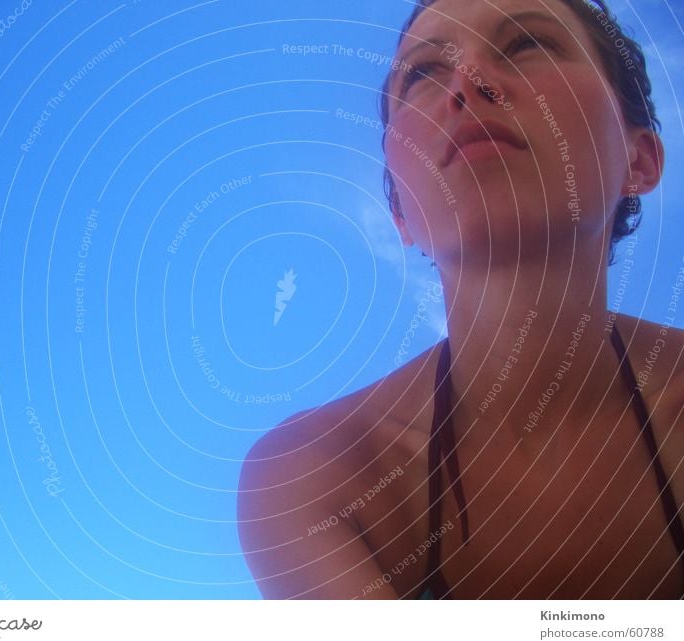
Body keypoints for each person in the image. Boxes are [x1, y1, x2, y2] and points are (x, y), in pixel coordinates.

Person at [237, 0, 684, 599]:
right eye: (423, 74)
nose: (469, 81)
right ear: (401, 214)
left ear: (639, 158)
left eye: (530, 44)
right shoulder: (316, 477)